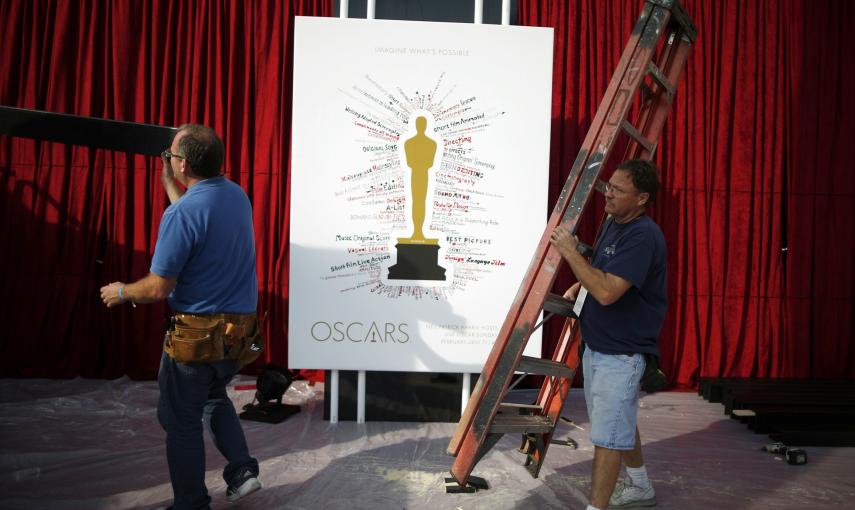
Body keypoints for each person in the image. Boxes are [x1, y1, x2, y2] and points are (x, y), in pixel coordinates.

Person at [100, 124, 262, 509]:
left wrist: (122, 291)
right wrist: (171, 185)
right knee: (212, 397)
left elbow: (158, 288)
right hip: (239, 335)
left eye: (171, 155)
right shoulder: (236, 196)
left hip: (197, 338)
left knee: (179, 419)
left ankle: (190, 502)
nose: (169, 159)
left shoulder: (184, 215)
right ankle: (242, 471)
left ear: (183, 164)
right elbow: (195, 217)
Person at [550, 159, 667, 510]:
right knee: (617, 423)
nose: (608, 194)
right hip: (599, 345)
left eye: (618, 190)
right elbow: (603, 269)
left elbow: (607, 292)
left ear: (642, 198)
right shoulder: (613, 221)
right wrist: (579, 281)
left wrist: (571, 254)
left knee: (608, 437)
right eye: (608, 186)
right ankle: (642, 488)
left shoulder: (643, 236)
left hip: (622, 352)